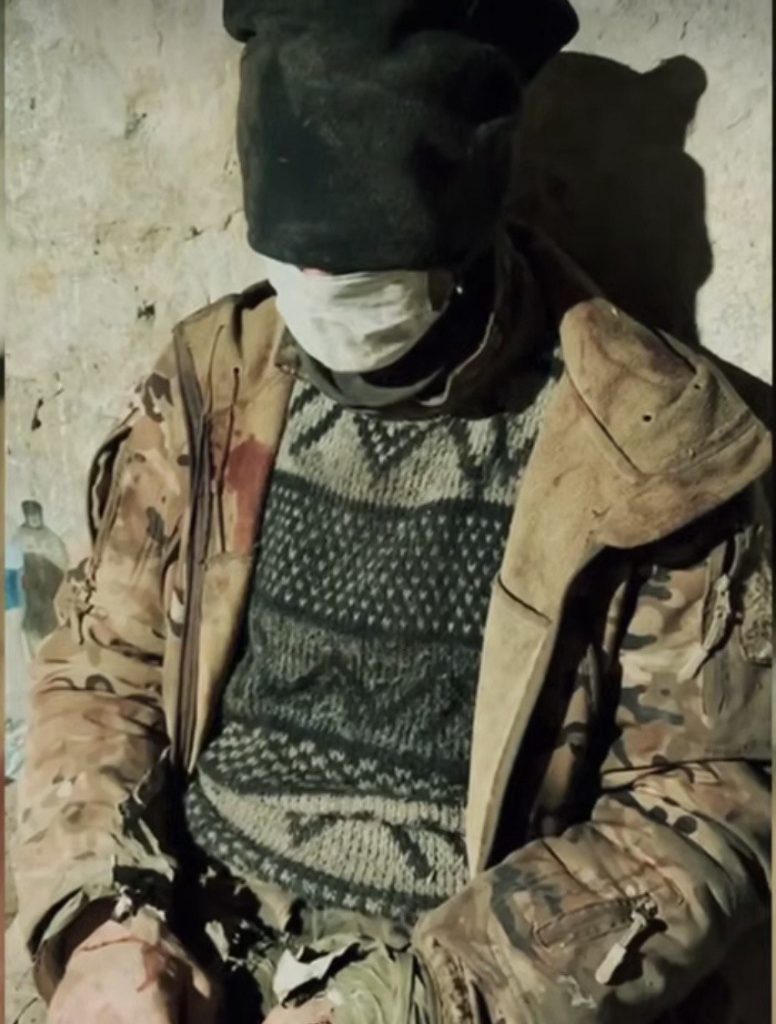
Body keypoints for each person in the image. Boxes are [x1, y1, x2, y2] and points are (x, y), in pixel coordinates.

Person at [11, 2, 772, 1023]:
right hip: (185, 937)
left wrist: (406, 999)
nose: (317, 296)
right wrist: (107, 924)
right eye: (296, 265)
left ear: (461, 224)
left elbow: (704, 800)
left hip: (456, 985)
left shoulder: (648, 445)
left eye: (359, 272)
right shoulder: (214, 380)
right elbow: (102, 665)